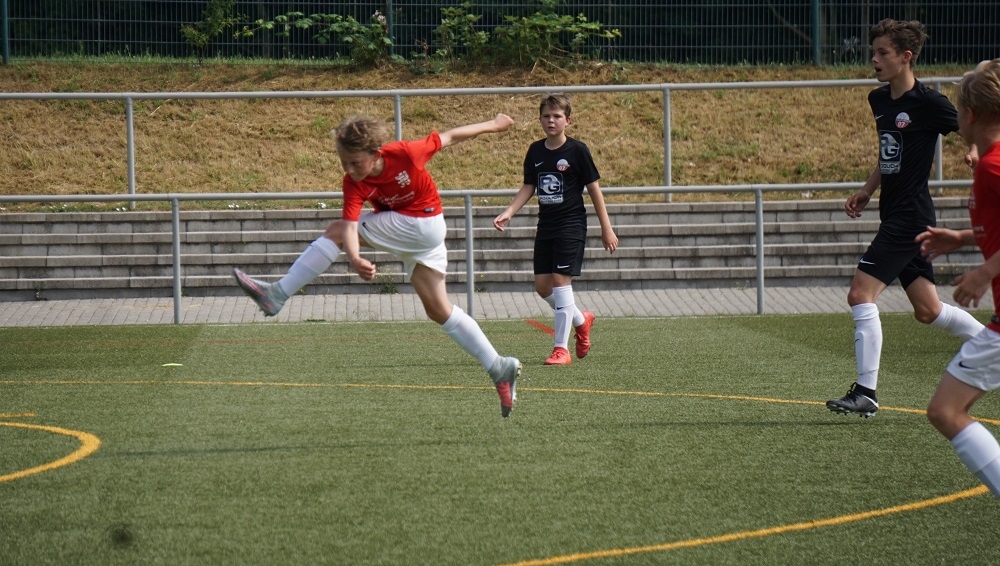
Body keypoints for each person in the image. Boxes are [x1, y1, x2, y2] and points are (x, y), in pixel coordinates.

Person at [233, 113, 522, 418]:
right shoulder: (353, 182)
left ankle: (277, 294)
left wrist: (493, 125)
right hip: (422, 236)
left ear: (376, 153)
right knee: (439, 310)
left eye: (355, 162)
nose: (349, 169)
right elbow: (350, 225)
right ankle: (498, 366)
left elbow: (450, 136)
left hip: (422, 224)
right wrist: (355, 257)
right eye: (344, 162)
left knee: (333, 232)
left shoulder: (406, 153)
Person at [827, 19, 984, 418]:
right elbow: (889, 153)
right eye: (874, 52)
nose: (874, 59)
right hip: (896, 213)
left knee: (860, 294)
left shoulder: (930, 103)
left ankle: (866, 392)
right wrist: (868, 189)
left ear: (906, 57)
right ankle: (993, 345)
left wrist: (975, 151)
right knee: (928, 311)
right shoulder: (878, 100)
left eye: (883, 52)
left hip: (909, 216)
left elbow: (975, 128)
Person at [916, 58, 1000, 499]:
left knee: (946, 411)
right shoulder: (989, 162)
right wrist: (964, 237)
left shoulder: (992, 165)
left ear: (970, 113)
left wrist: (985, 272)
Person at [493, 93, 618, 366]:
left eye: (557, 116)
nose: (551, 120)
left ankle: (561, 349)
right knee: (542, 287)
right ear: (540, 120)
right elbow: (529, 186)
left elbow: (594, 190)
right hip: (546, 225)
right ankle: (580, 320)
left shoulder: (578, 151)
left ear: (567, 121)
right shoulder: (535, 151)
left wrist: (606, 228)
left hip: (571, 225)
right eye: (546, 116)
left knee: (561, 282)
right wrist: (509, 211)